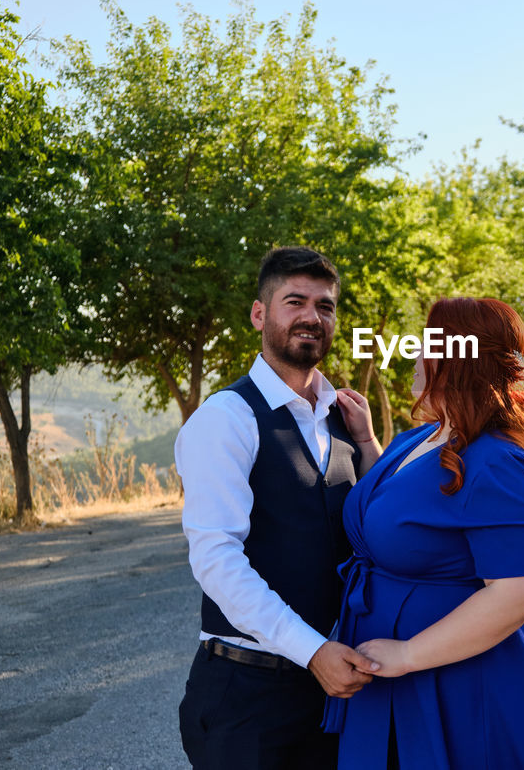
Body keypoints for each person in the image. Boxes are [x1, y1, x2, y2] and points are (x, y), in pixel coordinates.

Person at [323, 297, 524, 769]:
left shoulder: (504, 461)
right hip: (394, 671)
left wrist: (408, 654)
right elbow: (406, 511)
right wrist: (365, 442)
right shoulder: (425, 437)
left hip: (458, 680)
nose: (416, 353)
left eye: (426, 344)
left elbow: (523, 592)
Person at [176, 246, 383, 769]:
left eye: (326, 306)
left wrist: (368, 445)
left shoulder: (343, 419)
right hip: (250, 696)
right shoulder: (227, 416)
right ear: (259, 314)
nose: (313, 316)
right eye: (295, 301)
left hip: (333, 695)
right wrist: (313, 650)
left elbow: (379, 528)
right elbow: (216, 559)